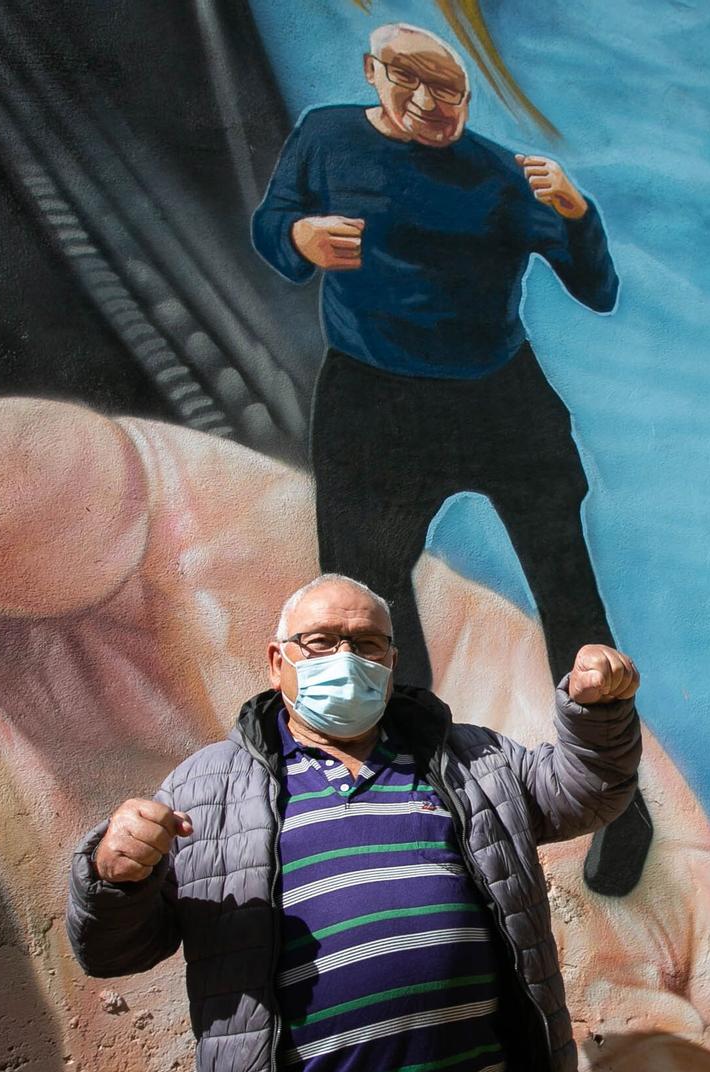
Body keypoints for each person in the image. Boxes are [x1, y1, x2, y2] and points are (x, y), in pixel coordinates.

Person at [68, 574, 641, 1072]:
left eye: (367, 642)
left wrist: (597, 714)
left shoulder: (467, 761)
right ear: (277, 662)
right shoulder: (207, 789)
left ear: (393, 662)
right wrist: (113, 873)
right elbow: (114, 949)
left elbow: (582, 791)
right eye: (322, 641)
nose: (347, 656)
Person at [249, 20, 651, 896]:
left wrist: (579, 216)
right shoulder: (325, 135)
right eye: (410, 83)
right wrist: (299, 240)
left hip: (498, 392)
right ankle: (415, 802)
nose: (431, 105)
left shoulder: (502, 175)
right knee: (370, 604)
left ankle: (622, 806)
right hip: (374, 396)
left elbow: (598, 286)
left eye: (451, 90)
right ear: (373, 76)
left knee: (566, 589)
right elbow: (272, 224)